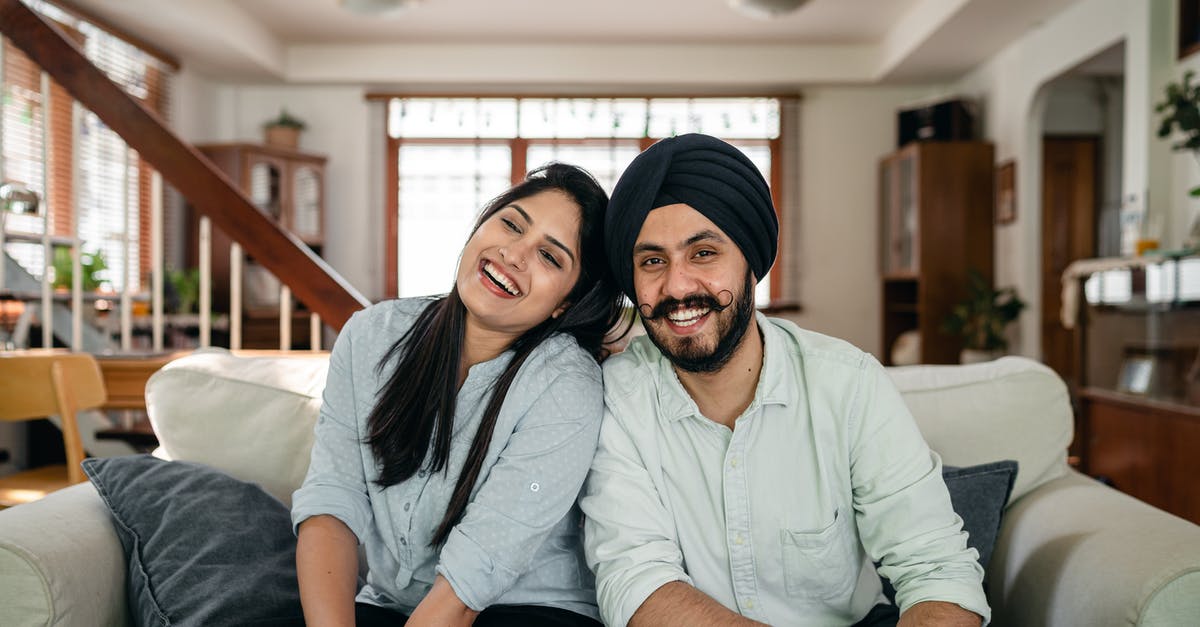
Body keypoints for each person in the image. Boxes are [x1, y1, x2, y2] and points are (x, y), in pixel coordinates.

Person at [581, 134, 989, 627]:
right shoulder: (615, 399)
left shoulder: (849, 385)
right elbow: (636, 581)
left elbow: (937, 571)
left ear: (751, 262)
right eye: (652, 261)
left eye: (704, 253)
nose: (678, 286)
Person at [293, 163, 627, 627]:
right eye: (511, 224)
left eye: (550, 257)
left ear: (565, 303)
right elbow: (333, 500)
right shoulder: (371, 335)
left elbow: (475, 572)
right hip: (391, 605)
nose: (514, 255)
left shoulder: (567, 385)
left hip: (527, 609)